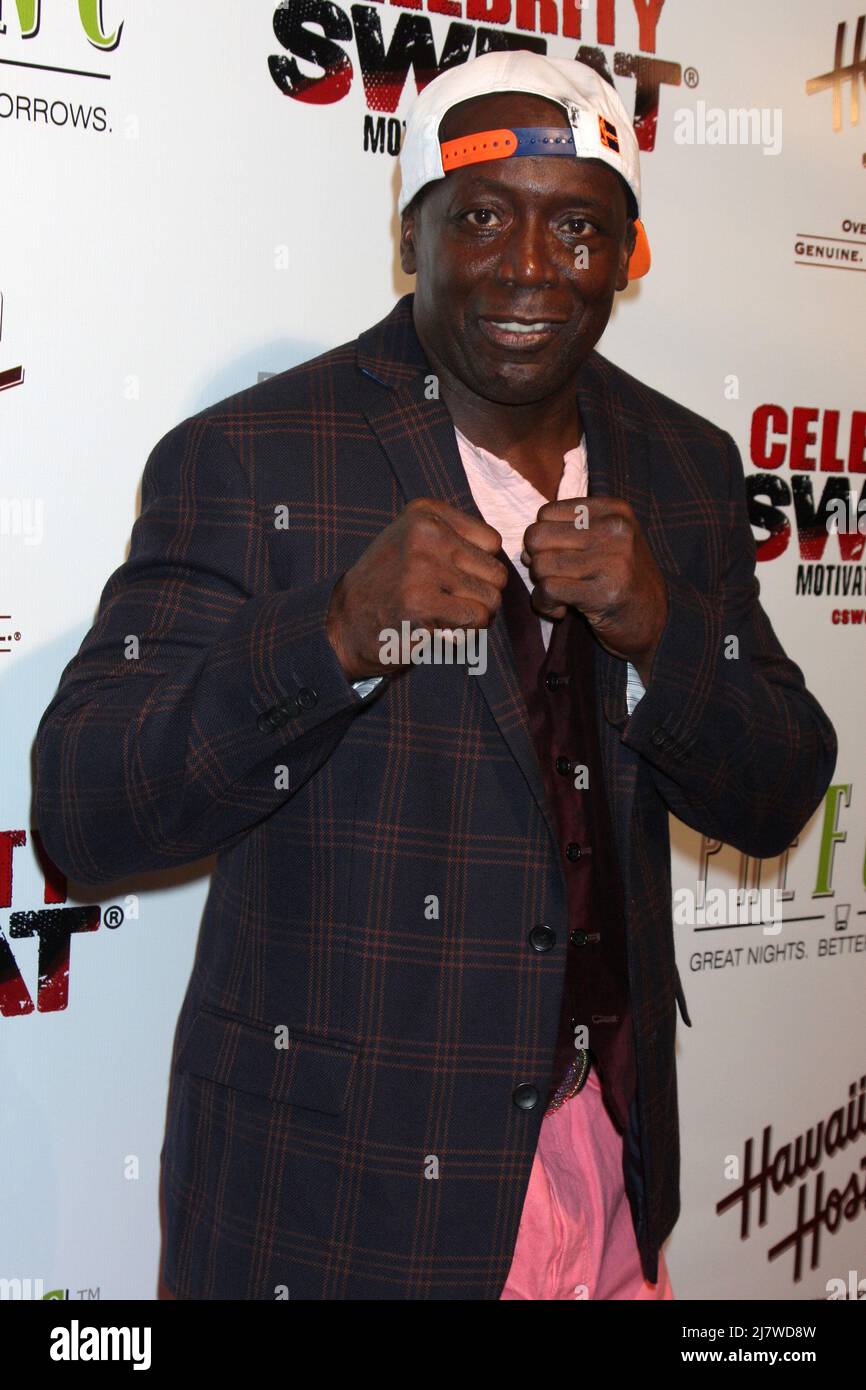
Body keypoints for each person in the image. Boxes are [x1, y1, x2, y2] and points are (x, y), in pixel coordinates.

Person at [34, 49, 837, 1301]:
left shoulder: (680, 464)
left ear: (626, 251)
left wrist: (664, 630)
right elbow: (88, 810)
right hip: (340, 1218)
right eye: (480, 219)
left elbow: (778, 787)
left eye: (576, 226)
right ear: (410, 238)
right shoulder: (251, 455)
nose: (528, 266)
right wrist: (333, 637)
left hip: (608, 1176)